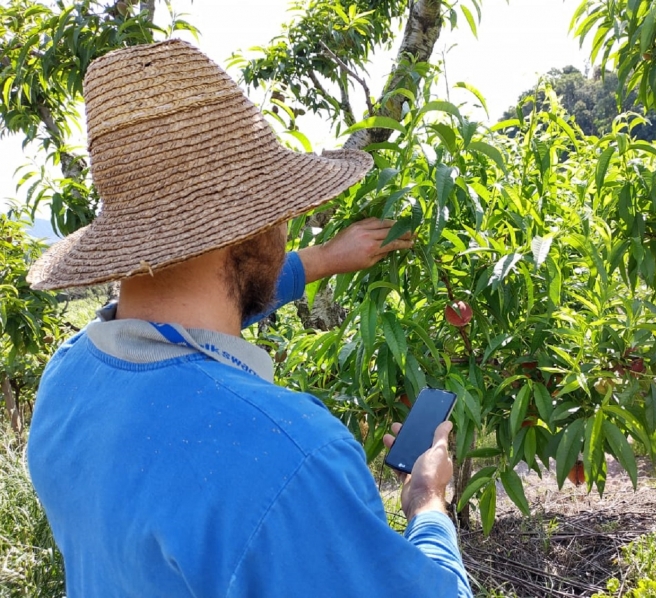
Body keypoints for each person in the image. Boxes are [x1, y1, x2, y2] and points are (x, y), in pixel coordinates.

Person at [26, 40, 473, 597]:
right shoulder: (289, 456)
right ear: (250, 229)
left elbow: (197, 312)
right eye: (279, 207)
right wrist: (427, 504)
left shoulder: (67, 378)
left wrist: (322, 259)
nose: (287, 223)